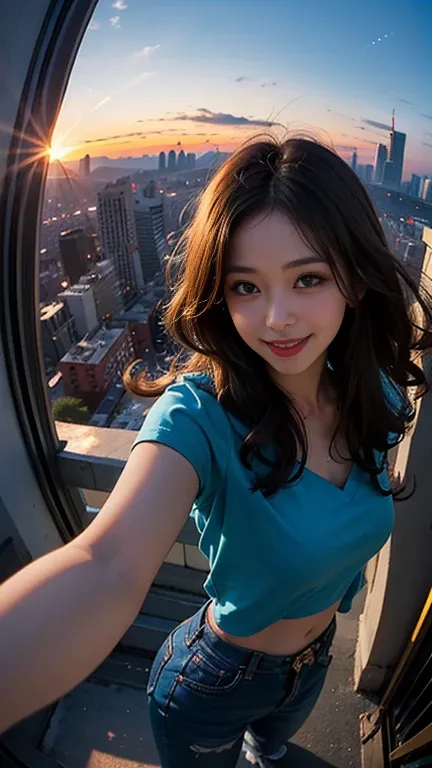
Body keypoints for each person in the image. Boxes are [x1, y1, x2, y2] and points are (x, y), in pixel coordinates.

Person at [0, 133, 431, 767]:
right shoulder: (199, 414)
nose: (277, 317)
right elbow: (107, 563)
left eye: (307, 278)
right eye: (245, 287)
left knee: (271, 755)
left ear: (355, 280)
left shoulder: (379, 398)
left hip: (315, 662)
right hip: (214, 680)